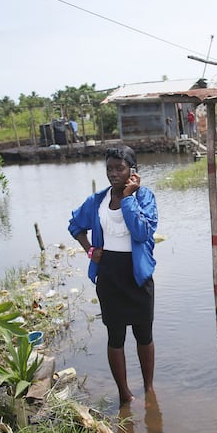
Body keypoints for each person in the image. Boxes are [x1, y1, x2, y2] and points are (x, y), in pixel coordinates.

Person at [68, 145, 158, 403]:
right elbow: (75, 226)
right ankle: (124, 392)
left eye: (119, 168)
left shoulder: (145, 198)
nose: (113, 174)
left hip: (137, 274)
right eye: (109, 168)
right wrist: (89, 250)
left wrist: (129, 198)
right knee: (115, 336)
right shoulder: (97, 201)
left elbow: (141, 233)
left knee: (144, 334)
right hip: (109, 275)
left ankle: (149, 388)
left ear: (132, 170)